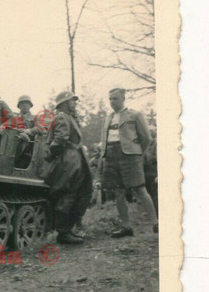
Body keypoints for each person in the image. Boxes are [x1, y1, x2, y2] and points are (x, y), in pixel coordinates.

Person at [98, 88, 158, 238]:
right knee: (118, 192)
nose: (112, 102)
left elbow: (146, 138)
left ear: (123, 98)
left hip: (130, 157)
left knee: (140, 189)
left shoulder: (135, 115)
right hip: (111, 156)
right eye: (110, 99)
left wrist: (136, 154)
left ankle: (156, 223)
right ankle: (126, 227)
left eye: (115, 99)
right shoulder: (108, 118)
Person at [42, 90, 93, 245]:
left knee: (77, 192)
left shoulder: (69, 117)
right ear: (64, 103)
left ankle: (68, 230)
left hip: (74, 157)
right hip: (69, 159)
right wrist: (52, 154)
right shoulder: (63, 117)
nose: (75, 103)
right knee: (68, 194)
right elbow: (60, 139)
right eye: (72, 100)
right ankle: (63, 233)